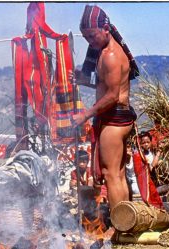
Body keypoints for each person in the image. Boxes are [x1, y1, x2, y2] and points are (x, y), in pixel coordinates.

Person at [71, 5, 138, 211]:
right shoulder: (103, 51)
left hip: (115, 119)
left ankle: (120, 226)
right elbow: (106, 84)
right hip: (116, 116)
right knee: (117, 174)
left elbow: (112, 95)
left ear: (106, 29)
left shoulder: (110, 55)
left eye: (92, 36)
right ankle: (126, 221)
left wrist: (85, 115)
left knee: (111, 175)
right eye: (86, 38)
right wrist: (84, 80)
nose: (90, 42)